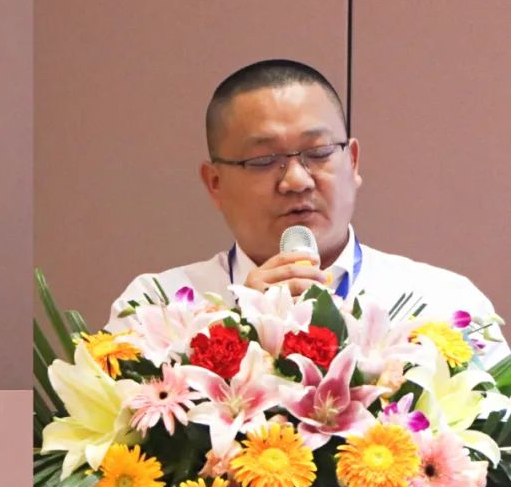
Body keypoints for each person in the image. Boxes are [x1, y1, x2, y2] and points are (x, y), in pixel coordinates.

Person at [107, 59, 509, 366]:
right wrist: (239, 327)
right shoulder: (156, 310)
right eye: (263, 160)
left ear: (352, 162)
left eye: (318, 153)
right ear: (215, 183)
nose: (296, 180)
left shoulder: (442, 304)